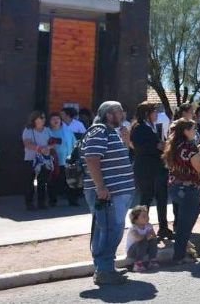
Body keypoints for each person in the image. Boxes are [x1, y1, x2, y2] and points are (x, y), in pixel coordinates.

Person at [81, 101, 135, 286]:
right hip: (109, 194)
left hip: (116, 192)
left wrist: (126, 143)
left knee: (106, 229)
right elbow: (91, 159)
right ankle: (104, 270)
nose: (123, 115)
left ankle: (105, 268)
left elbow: (117, 159)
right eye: (120, 112)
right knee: (110, 230)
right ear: (109, 115)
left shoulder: (111, 132)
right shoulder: (99, 131)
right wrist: (101, 187)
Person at [164, 118, 200, 263]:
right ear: (185, 131)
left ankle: (182, 247)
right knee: (186, 223)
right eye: (192, 129)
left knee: (184, 221)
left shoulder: (174, 145)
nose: (195, 132)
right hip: (188, 189)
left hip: (175, 188)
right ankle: (179, 255)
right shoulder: (189, 148)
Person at [130, 102, 173, 239]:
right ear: (146, 114)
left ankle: (163, 227)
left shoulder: (151, 127)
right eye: (154, 112)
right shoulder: (140, 128)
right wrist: (162, 146)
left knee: (161, 198)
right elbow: (150, 147)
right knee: (146, 199)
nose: (156, 114)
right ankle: (140, 229)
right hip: (147, 169)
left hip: (156, 168)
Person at [23, 111, 51, 210]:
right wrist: (40, 148)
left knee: (42, 181)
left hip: (44, 160)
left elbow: (51, 142)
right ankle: (29, 203)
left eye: (44, 117)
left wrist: (48, 148)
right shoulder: (28, 130)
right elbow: (27, 143)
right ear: (35, 119)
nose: (43, 119)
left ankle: (41, 202)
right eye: (41, 117)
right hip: (30, 159)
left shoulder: (47, 130)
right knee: (29, 182)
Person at [48, 112, 77, 206]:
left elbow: (74, 143)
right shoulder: (47, 131)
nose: (56, 121)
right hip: (53, 161)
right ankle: (52, 201)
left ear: (60, 121)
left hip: (67, 160)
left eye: (57, 119)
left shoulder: (67, 131)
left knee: (70, 181)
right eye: (53, 119)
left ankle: (72, 201)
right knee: (53, 182)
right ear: (50, 121)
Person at [126, 205, 159, 272]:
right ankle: (137, 264)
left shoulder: (148, 225)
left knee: (153, 240)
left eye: (147, 215)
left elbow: (154, 236)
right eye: (143, 216)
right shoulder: (133, 228)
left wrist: (151, 235)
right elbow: (138, 238)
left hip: (144, 249)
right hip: (132, 252)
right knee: (142, 241)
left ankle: (152, 261)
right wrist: (147, 236)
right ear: (135, 219)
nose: (147, 218)